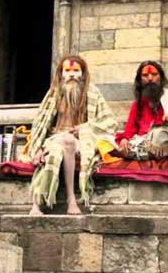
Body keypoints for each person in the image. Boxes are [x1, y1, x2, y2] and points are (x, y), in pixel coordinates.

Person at [23, 55, 117, 215]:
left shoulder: (92, 93)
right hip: (54, 139)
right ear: (61, 74)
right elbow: (41, 125)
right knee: (52, 154)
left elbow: (109, 122)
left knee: (68, 142)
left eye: (76, 70)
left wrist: (84, 127)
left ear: (83, 73)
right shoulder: (53, 94)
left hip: (82, 141)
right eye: (67, 70)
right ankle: (39, 203)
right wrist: (37, 148)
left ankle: (69, 199)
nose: (72, 74)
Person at [116, 61, 168, 160]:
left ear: (161, 78)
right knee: (108, 142)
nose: (150, 78)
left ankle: (140, 153)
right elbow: (130, 130)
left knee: (158, 135)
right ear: (140, 80)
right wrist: (124, 139)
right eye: (145, 75)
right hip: (141, 143)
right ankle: (139, 153)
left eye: (154, 74)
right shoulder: (137, 104)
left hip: (161, 143)